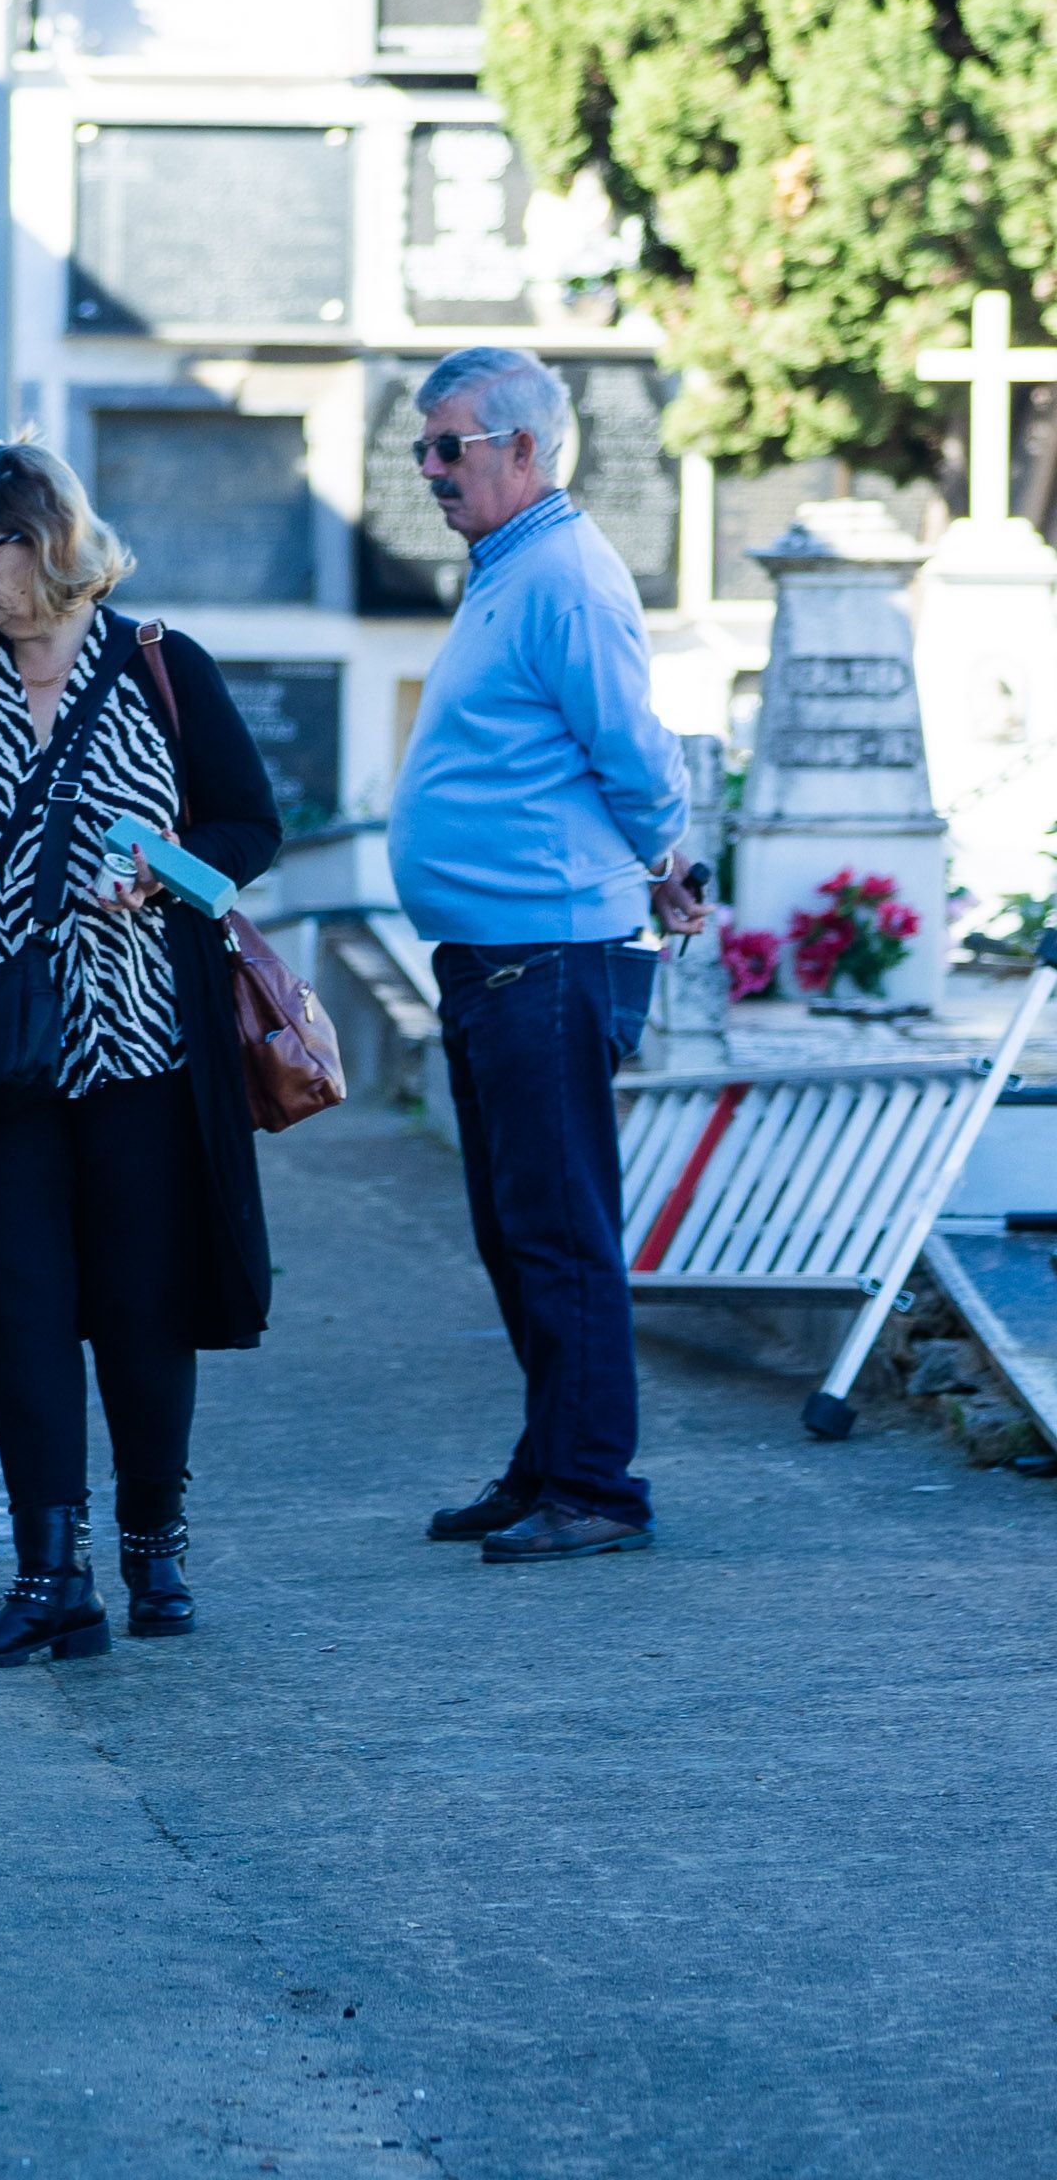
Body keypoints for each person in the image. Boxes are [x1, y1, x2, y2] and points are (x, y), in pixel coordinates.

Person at [0, 440, 282, 1667]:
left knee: (141, 1305)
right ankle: (48, 1579)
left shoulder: (163, 669)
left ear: (48, 539)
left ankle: (153, 1551)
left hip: (143, 1046)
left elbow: (250, 822)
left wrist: (163, 872)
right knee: (22, 1305)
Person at [389, 347, 706, 1566]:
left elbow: (633, 749)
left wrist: (668, 858)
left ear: (524, 449)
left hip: (548, 953)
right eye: (423, 446)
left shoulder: (564, 573)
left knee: (560, 1226)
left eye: (448, 446)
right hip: (493, 954)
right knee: (513, 1225)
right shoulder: (509, 567)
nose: (428, 469)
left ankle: (596, 1489)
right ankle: (549, 1460)